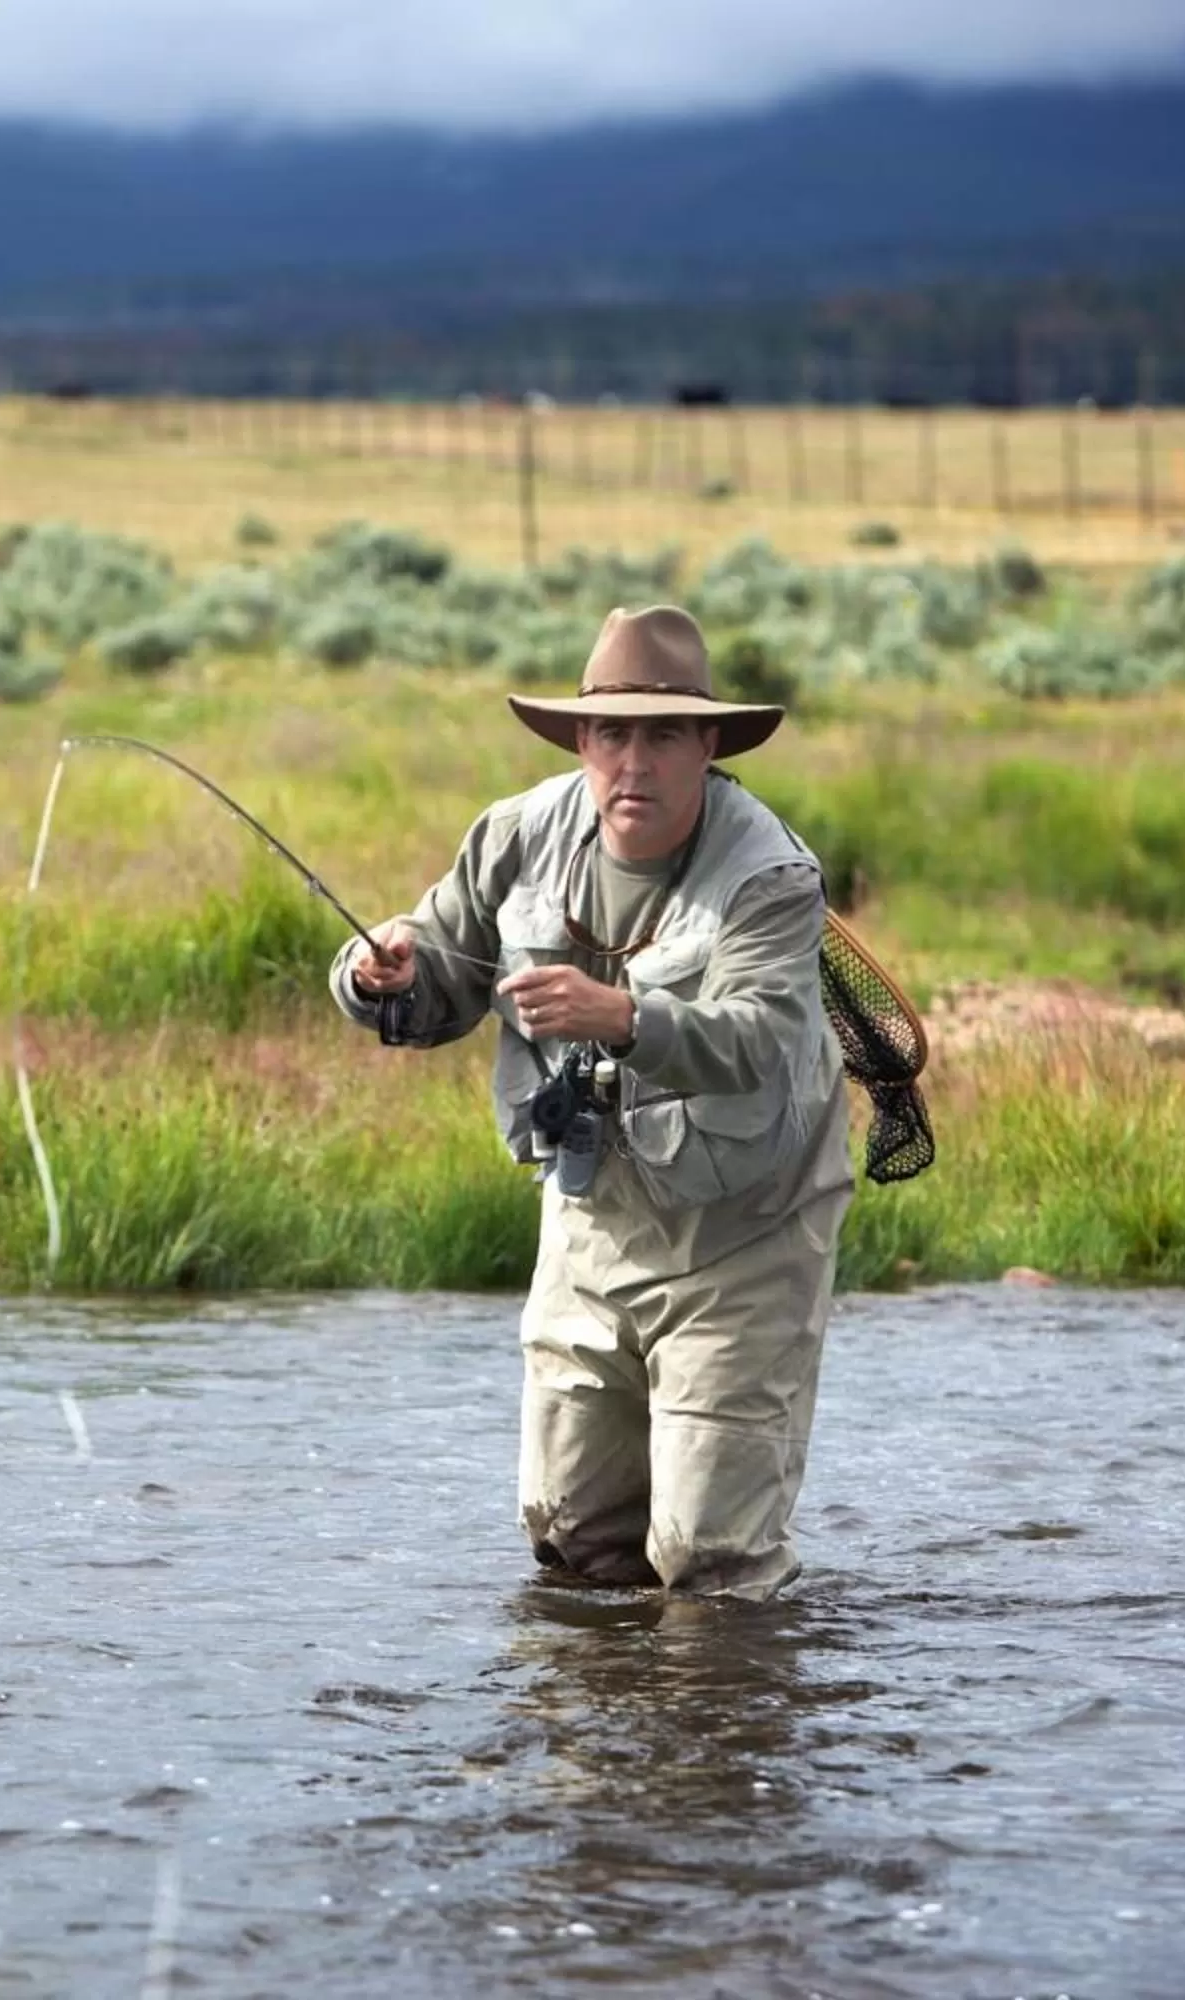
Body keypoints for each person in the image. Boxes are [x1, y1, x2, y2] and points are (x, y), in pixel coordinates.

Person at [329, 604, 851, 1600]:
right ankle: (607, 1707)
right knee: (573, 1542)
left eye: (664, 736)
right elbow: (432, 974)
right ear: (580, 741)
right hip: (589, 1216)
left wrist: (626, 1017)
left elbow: (761, 1041)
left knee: (710, 1559)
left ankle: (727, 1698)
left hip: (747, 1230)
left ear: (708, 746)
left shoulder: (771, 876)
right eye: (612, 734)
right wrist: (377, 975)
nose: (633, 764)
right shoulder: (518, 833)